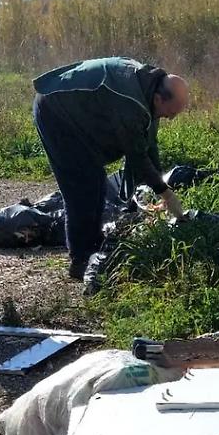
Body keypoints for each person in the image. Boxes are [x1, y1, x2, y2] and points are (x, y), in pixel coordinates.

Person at [31, 57, 190, 279]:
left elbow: (149, 146)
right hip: (54, 111)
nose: (171, 118)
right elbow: (136, 156)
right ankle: (81, 261)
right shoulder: (130, 101)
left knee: (96, 180)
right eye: (171, 113)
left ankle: (93, 249)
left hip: (81, 116)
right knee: (83, 186)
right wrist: (166, 193)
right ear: (158, 99)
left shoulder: (150, 91)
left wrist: (159, 188)